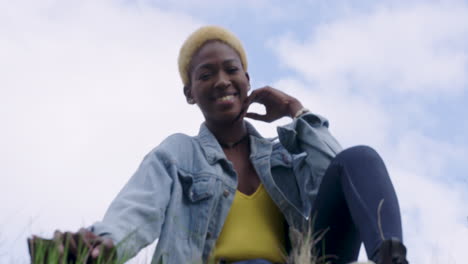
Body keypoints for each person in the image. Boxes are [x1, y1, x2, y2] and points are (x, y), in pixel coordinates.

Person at [29, 26, 409, 264]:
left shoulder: (283, 157)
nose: (222, 80)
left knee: (359, 158)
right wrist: (104, 246)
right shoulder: (179, 154)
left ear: (248, 79)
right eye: (206, 75)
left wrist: (297, 112)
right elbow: (137, 209)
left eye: (231, 69)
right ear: (190, 93)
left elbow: (338, 177)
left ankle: (391, 260)